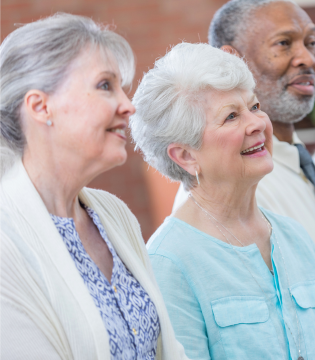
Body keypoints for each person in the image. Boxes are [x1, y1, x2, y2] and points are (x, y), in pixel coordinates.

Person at [177, 1, 315, 359]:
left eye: (310, 44)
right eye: (284, 44)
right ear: (231, 60)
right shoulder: (228, 192)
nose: (307, 59)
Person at [131, 42, 315, 360]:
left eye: (254, 107)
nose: (257, 124)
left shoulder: (294, 236)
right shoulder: (168, 263)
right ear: (185, 155)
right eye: (231, 117)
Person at [0, 14, 188, 360]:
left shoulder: (115, 215)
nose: (128, 106)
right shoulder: (6, 242)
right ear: (40, 106)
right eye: (105, 85)